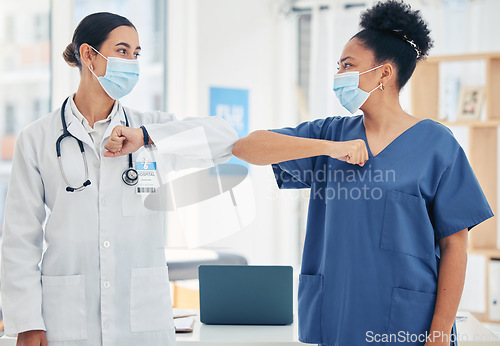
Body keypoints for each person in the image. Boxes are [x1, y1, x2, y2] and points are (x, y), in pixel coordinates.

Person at [232, 1, 493, 345]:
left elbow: (455, 245)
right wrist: (326, 148)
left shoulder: (436, 144)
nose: (339, 74)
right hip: (335, 312)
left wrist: (440, 333)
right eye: (338, 66)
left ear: (384, 73)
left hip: (406, 318)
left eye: (347, 65)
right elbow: (246, 147)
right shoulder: (329, 134)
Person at [1, 12, 237, 346]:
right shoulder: (37, 138)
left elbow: (225, 137)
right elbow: (20, 238)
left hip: (142, 318)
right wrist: (27, 321)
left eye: (137, 54)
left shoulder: (152, 127)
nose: (132, 62)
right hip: (65, 319)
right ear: (88, 55)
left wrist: (145, 136)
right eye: (122, 51)